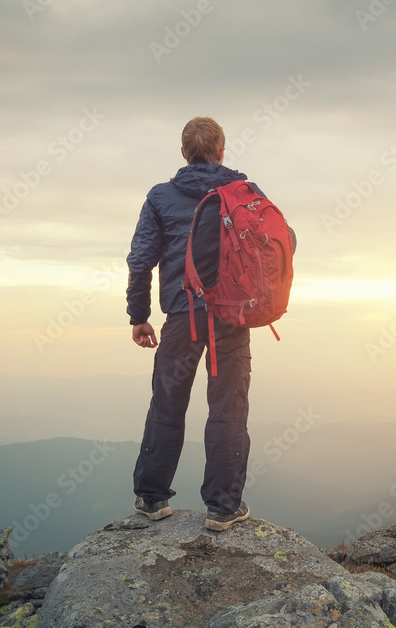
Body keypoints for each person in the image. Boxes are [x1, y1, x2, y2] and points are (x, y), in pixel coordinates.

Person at [127, 117, 278, 531]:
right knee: (229, 408)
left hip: (182, 316)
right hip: (234, 315)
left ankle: (152, 499)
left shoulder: (161, 197)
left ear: (183, 153)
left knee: (167, 404)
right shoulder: (245, 193)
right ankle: (223, 508)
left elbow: (141, 260)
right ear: (222, 151)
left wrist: (139, 316)